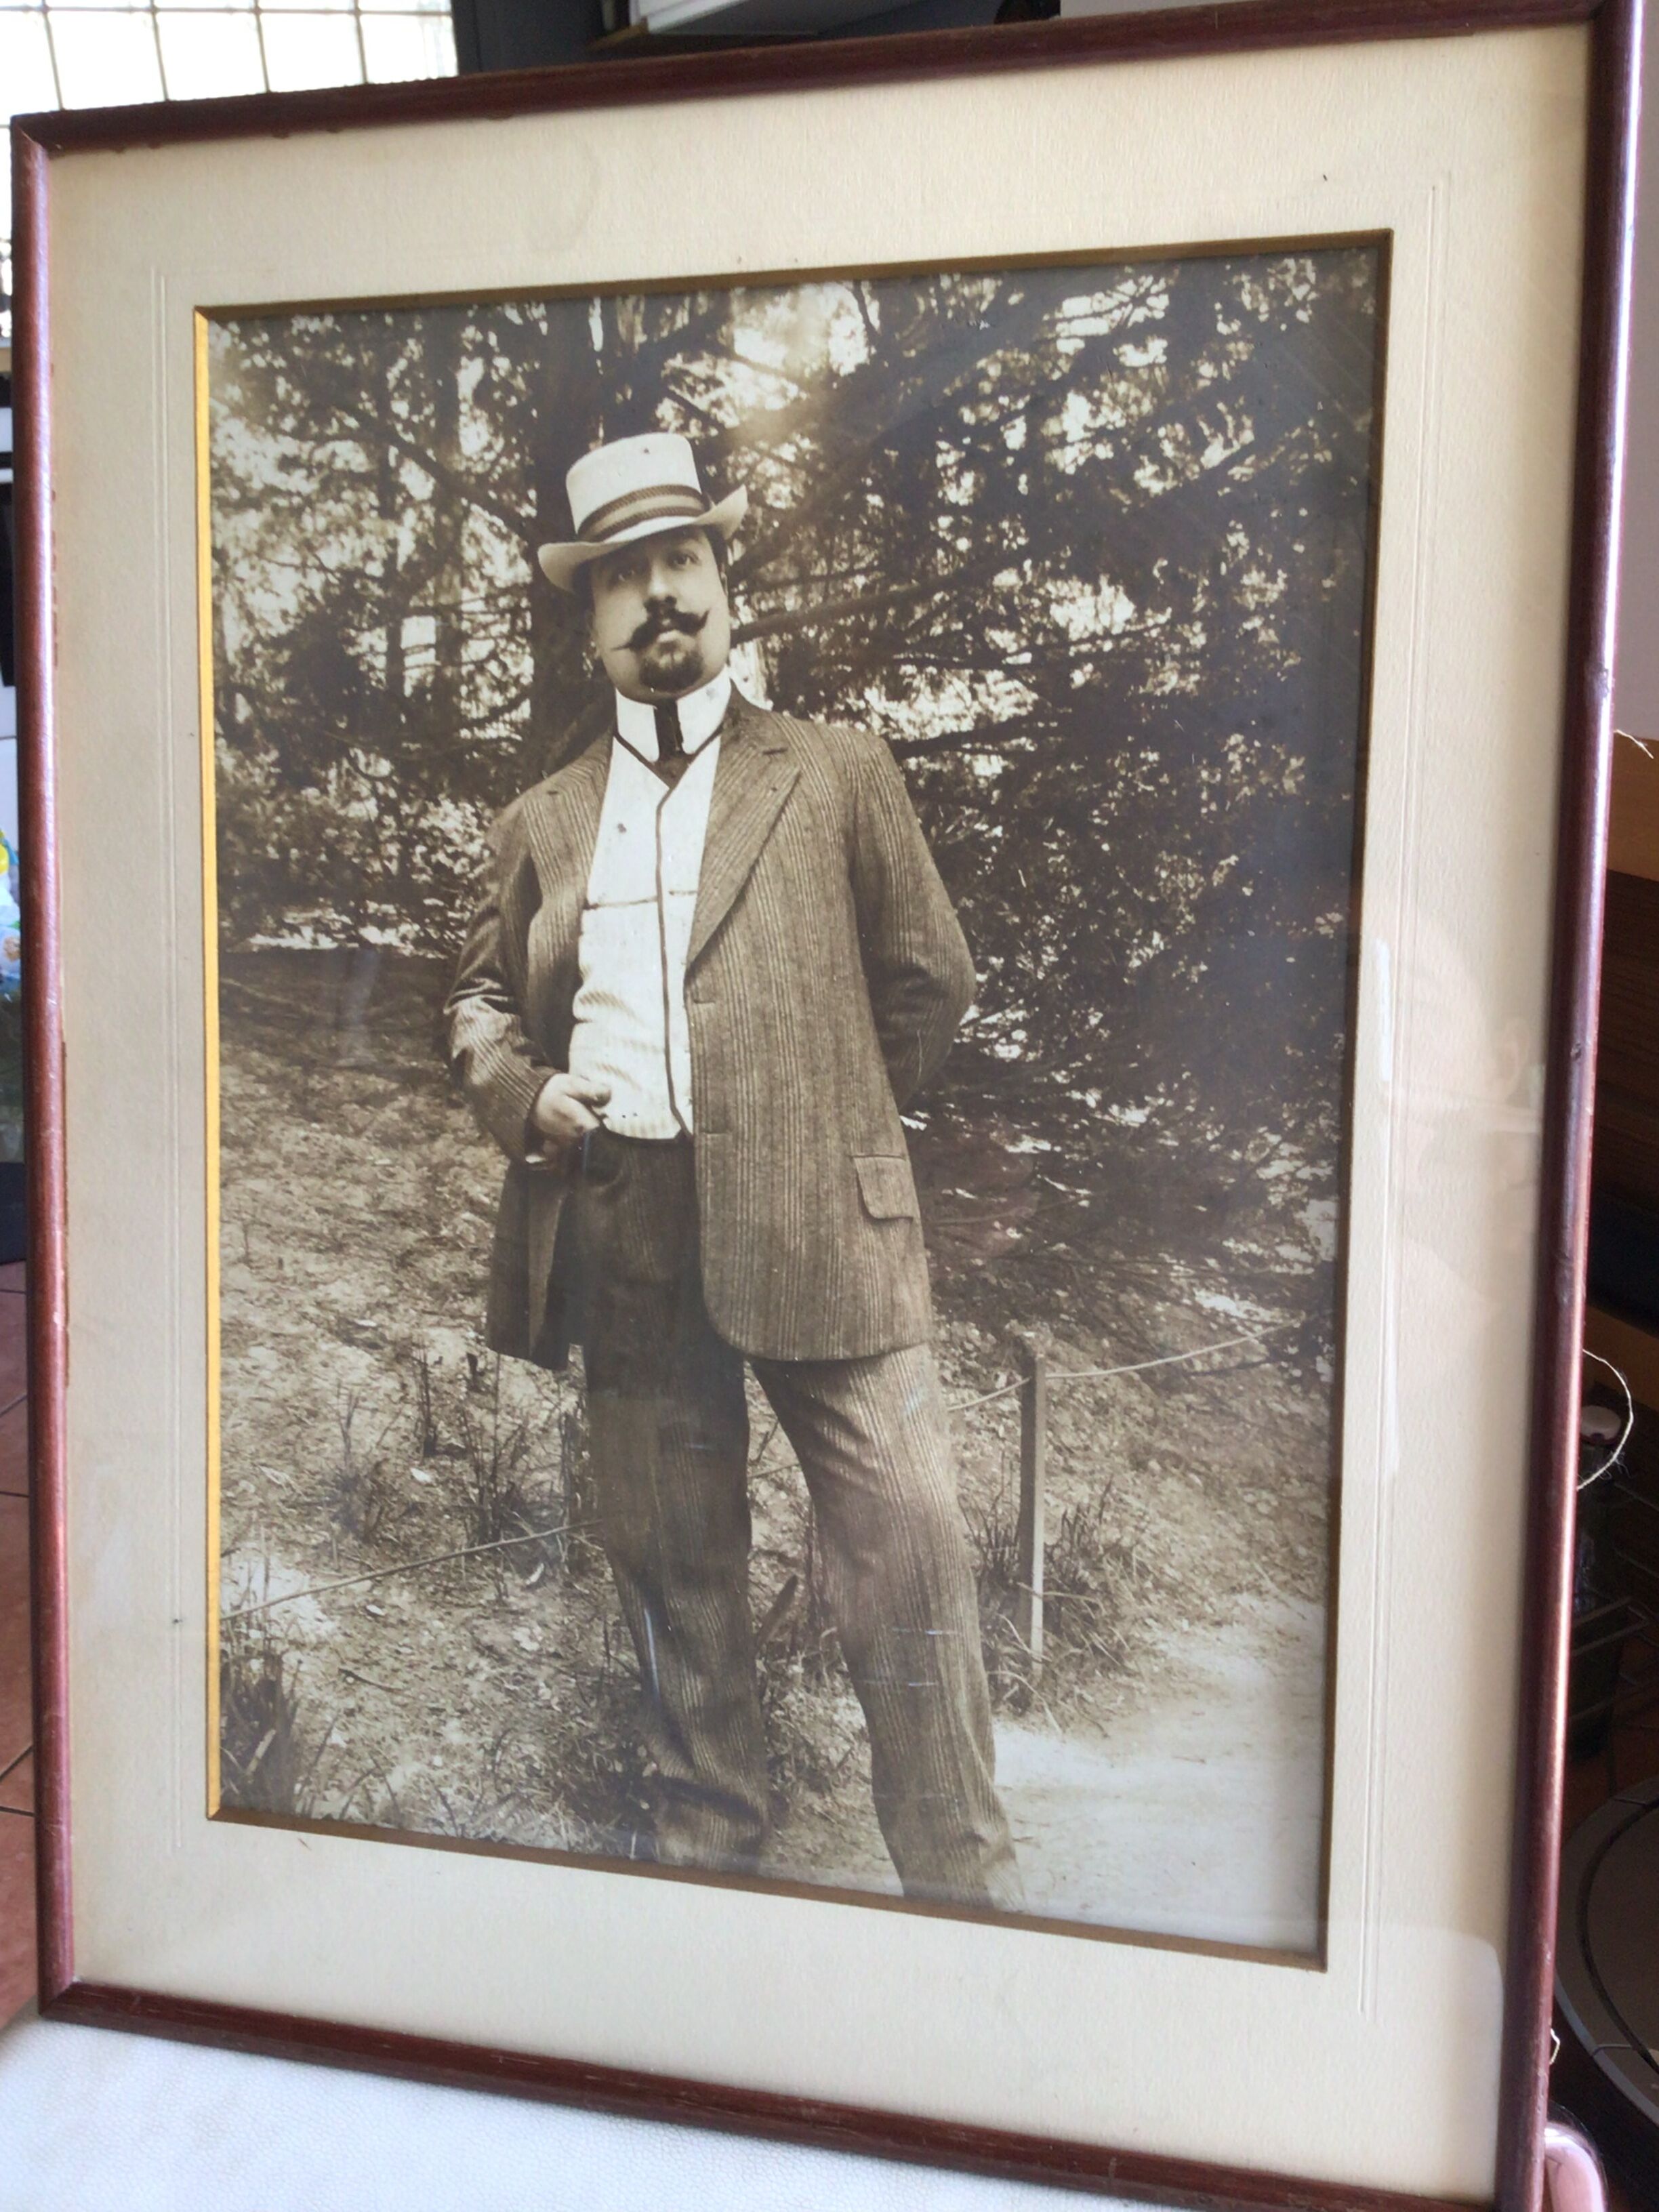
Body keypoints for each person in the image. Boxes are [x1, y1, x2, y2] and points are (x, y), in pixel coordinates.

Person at [447, 430, 1019, 1909]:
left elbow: (931, 982)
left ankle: (967, 1901)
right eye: (622, 577)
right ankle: (711, 1877)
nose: (658, 598)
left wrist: (822, 1119)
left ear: (724, 581)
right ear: (588, 624)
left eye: (680, 561)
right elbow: (477, 1001)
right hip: (626, 1224)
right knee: (674, 1567)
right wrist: (523, 1089)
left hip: (829, 1220)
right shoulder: (546, 819)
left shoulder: (835, 774)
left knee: (909, 1549)